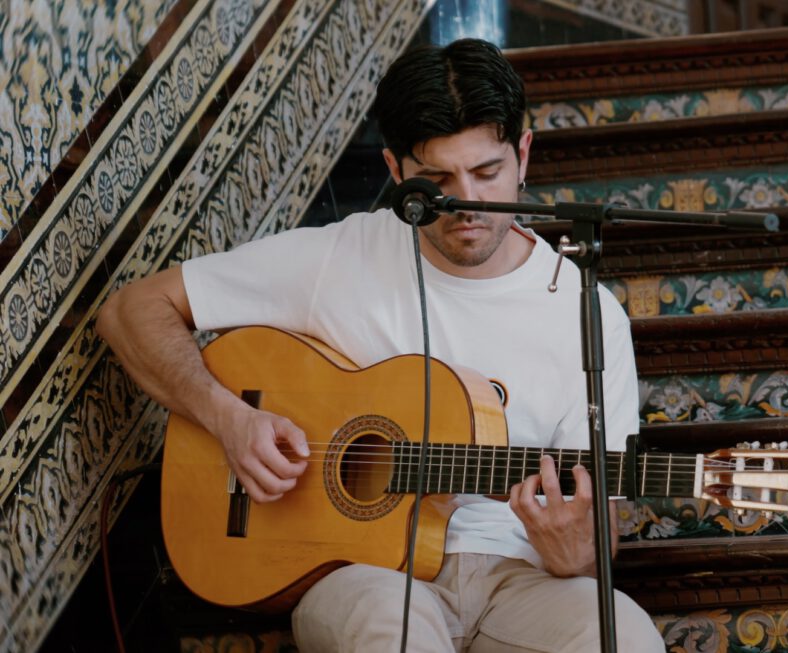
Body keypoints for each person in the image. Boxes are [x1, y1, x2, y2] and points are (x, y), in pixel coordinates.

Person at [96, 38, 665, 652]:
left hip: (517, 581)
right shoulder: (338, 258)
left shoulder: (587, 314)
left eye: (487, 172)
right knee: (390, 633)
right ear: (395, 171)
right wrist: (227, 418)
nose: (467, 202)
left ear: (523, 154)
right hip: (363, 577)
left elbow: (593, 539)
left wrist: (574, 551)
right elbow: (131, 310)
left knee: (624, 636)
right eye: (437, 179)